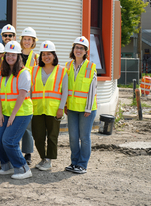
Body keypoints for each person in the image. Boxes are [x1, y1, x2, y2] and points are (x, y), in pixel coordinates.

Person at [0, 41, 33, 179]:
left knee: (9, 141)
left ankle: (23, 168)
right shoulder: (2, 74)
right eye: (8, 54)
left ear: (18, 56)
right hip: (5, 112)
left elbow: (22, 96)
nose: (10, 57)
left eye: (13, 55)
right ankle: (7, 166)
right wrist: (0, 114)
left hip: (21, 113)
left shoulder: (24, 73)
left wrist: (12, 116)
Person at [30, 41, 67, 171]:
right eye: (43, 54)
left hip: (54, 109)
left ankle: (49, 160)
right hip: (37, 108)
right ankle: (43, 158)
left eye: (49, 54)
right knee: (38, 136)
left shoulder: (62, 71)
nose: (46, 56)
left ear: (54, 55)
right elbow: (30, 90)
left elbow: (65, 91)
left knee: (52, 136)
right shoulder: (34, 70)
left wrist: (61, 108)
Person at [64, 36, 97, 174]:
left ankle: (82, 164)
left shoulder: (91, 66)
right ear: (73, 49)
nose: (78, 50)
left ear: (86, 51)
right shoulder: (67, 66)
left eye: (81, 48)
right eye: (76, 47)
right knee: (72, 137)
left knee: (84, 137)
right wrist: (65, 105)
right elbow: (65, 87)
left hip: (86, 110)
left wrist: (88, 108)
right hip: (71, 108)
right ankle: (74, 162)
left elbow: (92, 88)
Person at [19, 27, 38, 165]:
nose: (27, 41)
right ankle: (14, 151)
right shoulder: (15, 54)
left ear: (33, 42)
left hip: (29, 96)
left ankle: (27, 153)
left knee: (27, 127)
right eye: (25, 39)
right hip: (14, 94)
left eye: (29, 39)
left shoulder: (37, 57)